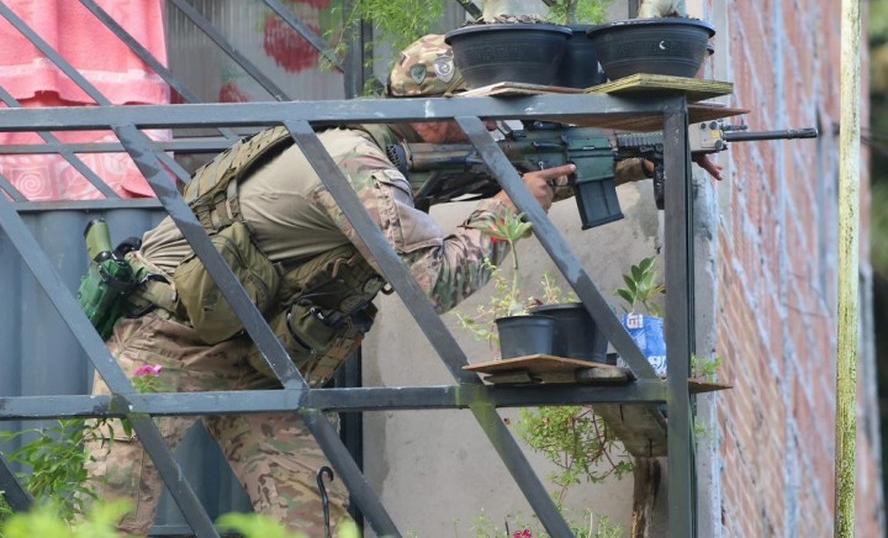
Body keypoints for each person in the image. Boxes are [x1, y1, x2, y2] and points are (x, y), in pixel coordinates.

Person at [84, 34, 687, 536]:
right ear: (432, 118)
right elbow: (435, 283)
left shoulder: (390, 150)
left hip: (256, 353)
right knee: (111, 515)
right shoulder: (355, 161)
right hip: (165, 341)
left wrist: (646, 155)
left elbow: (490, 175)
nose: (493, 122)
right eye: (472, 109)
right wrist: (511, 211)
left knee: (311, 518)